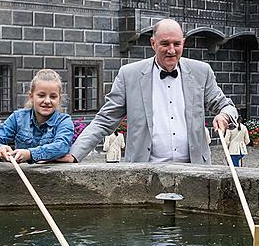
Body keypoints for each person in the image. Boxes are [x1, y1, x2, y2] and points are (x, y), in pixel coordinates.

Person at [65, 19, 238, 164]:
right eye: (165, 44)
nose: (171, 50)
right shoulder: (129, 75)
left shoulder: (202, 71)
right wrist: (74, 154)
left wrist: (224, 116)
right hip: (144, 173)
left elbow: (227, 106)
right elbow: (104, 120)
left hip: (194, 170)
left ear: (183, 43)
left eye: (177, 44)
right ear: (153, 43)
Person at [0, 69, 74, 163]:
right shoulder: (17, 117)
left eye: (53, 97)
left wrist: (30, 154)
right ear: (31, 96)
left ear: (59, 99)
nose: (47, 101)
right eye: (41, 95)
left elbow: (62, 146)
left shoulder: (64, 121)